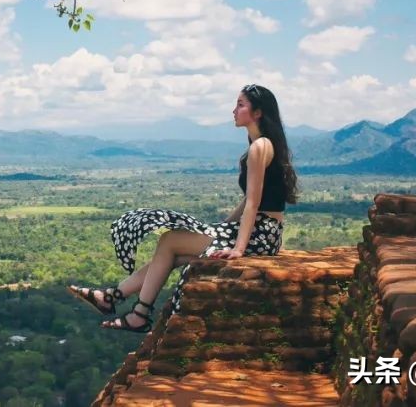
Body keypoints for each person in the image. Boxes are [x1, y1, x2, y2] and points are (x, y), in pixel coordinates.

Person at [68, 84, 298, 332]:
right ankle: (113, 298)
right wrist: (223, 226)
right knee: (172, 255)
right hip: (264, 233)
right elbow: (249, 200)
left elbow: (253, 202)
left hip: (260, 235)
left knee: (169, 240)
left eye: (240, 105)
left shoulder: (259, 147)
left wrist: (238, 249)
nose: (234, 110)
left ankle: (136, 313)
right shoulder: (261, 145)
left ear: (258, 112)